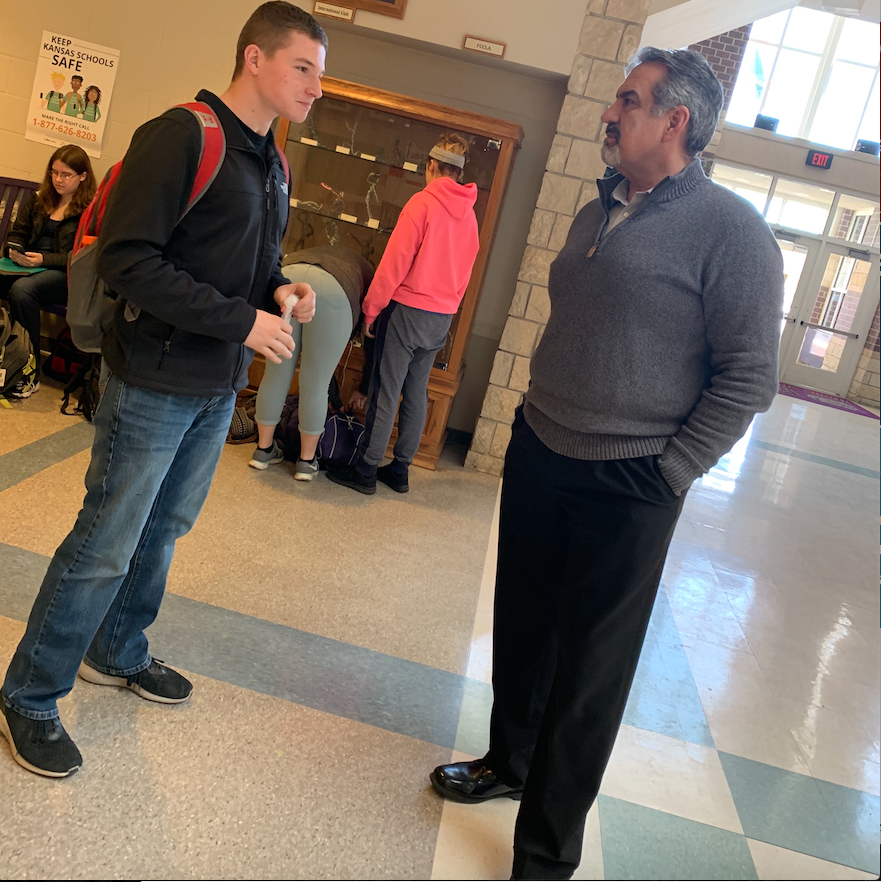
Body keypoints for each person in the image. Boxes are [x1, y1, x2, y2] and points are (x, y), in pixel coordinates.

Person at [430, 48, 783, 880]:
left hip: (630, 477)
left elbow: (748, 377)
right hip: (542, 444)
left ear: (675, 121)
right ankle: (506, 763)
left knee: (589, 670)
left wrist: (672, 468)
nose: (607, 113)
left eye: (627, 100)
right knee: (520, 625)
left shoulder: (733, 234)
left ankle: (546, 852)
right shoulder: (599, 208)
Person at [0, 1, 325, 779]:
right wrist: (243, 323)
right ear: (255, 58)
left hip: (212, 382)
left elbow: (245, 266)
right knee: (107, 535)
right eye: (303, 68)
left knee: (164, 527)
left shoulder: (270, 161)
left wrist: (280, 292)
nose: (315, 88)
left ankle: (116, 650)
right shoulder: (182, 135)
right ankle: (29, 694)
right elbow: (129, 260)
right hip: (152, 377)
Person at [327, 133, 480, 495]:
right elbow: (466, 273)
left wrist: (371, 309)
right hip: (441, 317)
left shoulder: (422, 203)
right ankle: (399, 470)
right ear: (459, 173)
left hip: (409, 310)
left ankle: (365, 469)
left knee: (385, 388)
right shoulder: (470, 216)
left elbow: (394, 265)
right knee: (415, 391)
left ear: (430, 166)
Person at [249, 245, 374, 480]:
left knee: (275, 374)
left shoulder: (314, 249)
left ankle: (263, 450)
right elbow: (370, 338)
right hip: (335, 292)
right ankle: (306, 462)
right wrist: (364, 387)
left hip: (288, 277)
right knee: (316, 383)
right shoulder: (366, 273)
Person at [1, 144, 96, 398]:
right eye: (54, 172)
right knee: (14, 283)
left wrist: (43, 259)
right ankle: (4, 355)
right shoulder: (40, 198)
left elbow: (81, 255)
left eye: (66, 175)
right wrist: (15, 249)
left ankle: (27, 369)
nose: (58, 180)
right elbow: (18, 232)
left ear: (83, 176)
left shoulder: (89, 209)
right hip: (28, 266)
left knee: (22, 291)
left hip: (63, 274)